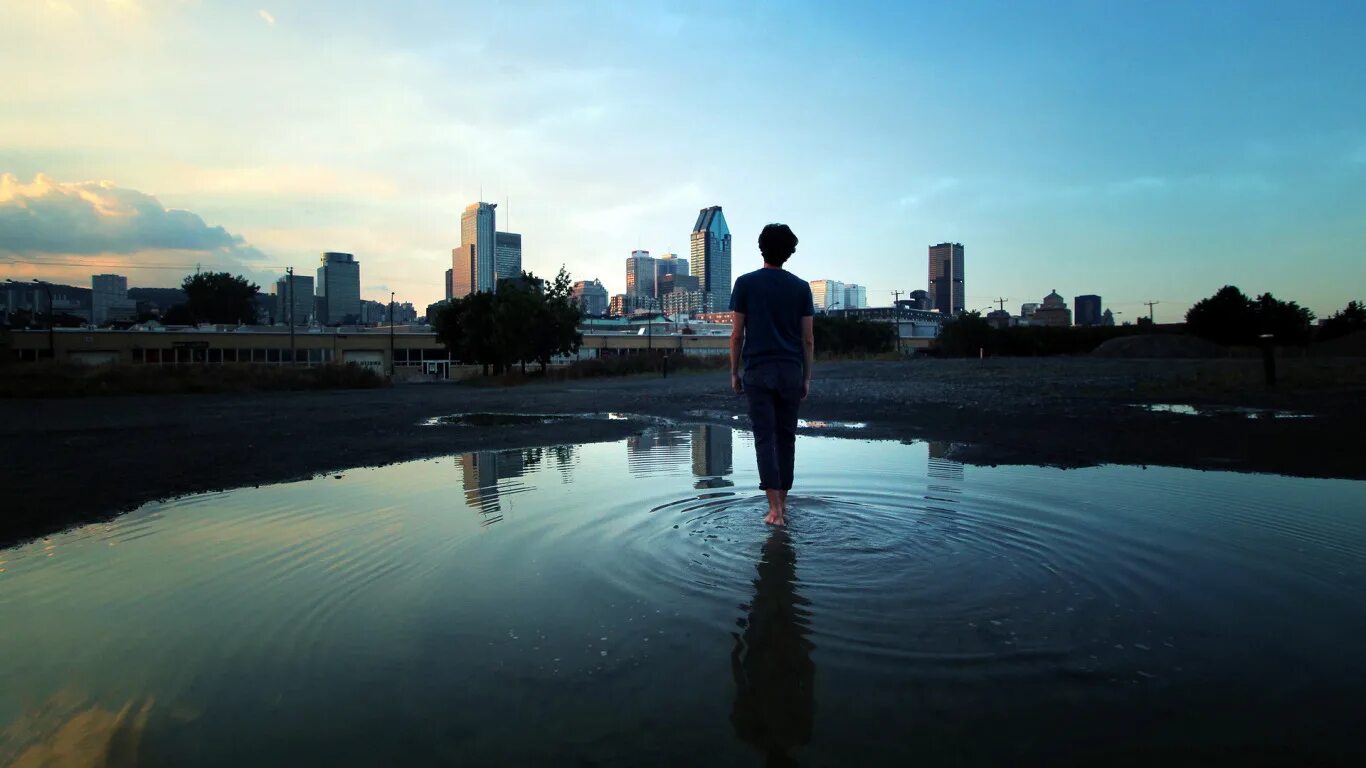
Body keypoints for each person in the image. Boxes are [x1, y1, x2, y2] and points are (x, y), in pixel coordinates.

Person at [729, 223, 815, 526]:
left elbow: (737, 335)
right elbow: (808, 339)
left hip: (757, 372)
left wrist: (734, 372)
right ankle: (784, 507)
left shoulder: (745, 283)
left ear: (761, 247)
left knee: (765, 438)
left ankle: (774, 510)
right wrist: (806, 377)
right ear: (789, 252)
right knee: (786, 438)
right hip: (791, 372)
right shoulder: (802, 288)